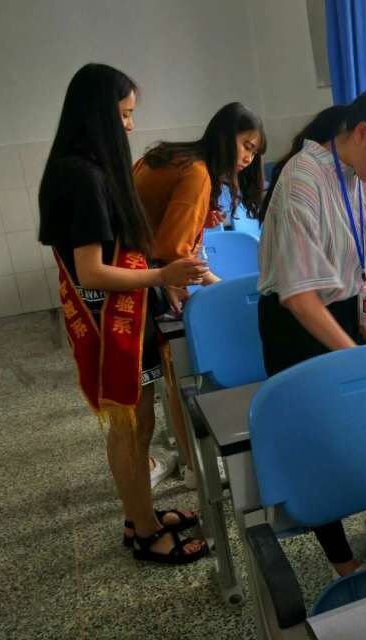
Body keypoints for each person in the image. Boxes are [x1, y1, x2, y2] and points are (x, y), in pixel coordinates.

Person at [38, 63, 209, 564]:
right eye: (125, 115)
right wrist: (162, 275)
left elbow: (123, 247)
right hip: (112, 318)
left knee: (139, 421)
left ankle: (142, 516)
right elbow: (91, 271)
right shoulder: (82, 175)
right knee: (131, 425)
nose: (131, 126)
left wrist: (161, 279)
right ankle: (145, 533)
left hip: (127, 311)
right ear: (98, 116)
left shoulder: (84, 168)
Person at [256, 83, 366, 577]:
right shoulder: (302, 179)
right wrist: (356, 356)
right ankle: (342, 561)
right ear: (362, 133)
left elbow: (365, 259)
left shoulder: (362, 178)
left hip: (347, 310)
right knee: (319, 439)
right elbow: (297, 296)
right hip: (297, 323)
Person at [133, 102, 267, 485]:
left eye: (254, 151)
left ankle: (191, 464)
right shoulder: (196, 172)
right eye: (245, 145)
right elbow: (174, 251)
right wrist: (220, 289)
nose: (248, 158)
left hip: (138, 268)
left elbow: (171, 243)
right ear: (224, 136)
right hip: (135, 275)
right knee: (177, 371)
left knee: (174, 372)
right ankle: (193, 465)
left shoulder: (180, 159)